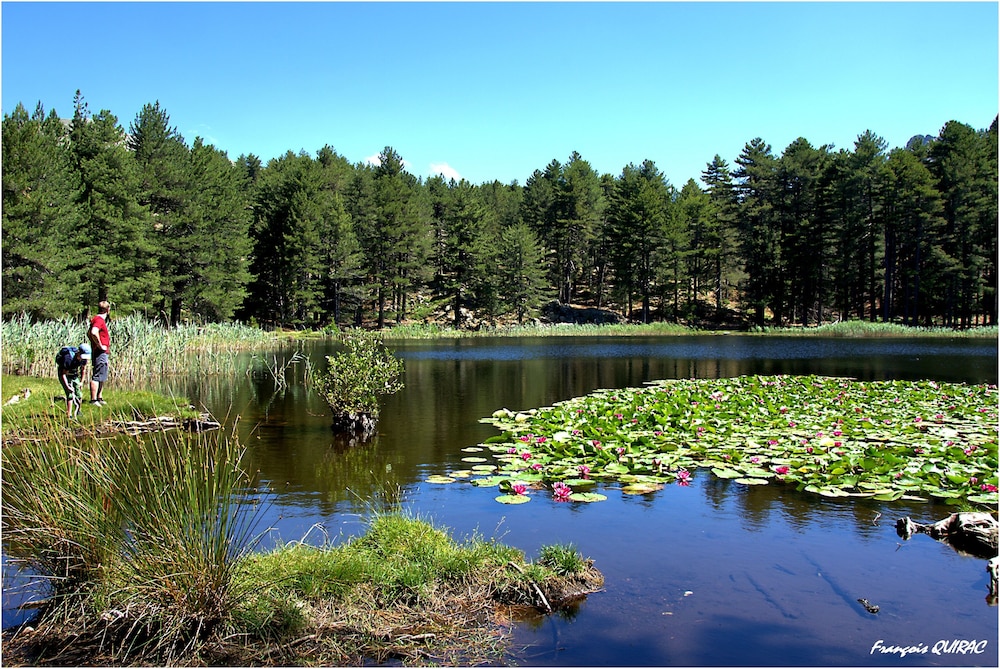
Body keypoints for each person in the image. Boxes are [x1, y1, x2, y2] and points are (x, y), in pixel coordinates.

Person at [57, 343, 91, 417]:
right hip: (65, 375)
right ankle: (69, 414)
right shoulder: (68, 358)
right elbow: (63, 374)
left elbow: (83, 370)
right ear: (78, 352)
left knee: (79, 395)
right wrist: (67, 386)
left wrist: (81, 382)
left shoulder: (84, 360)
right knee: (70, 395)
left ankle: (78, 411)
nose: (83, 359)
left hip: (74, 374)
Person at [88, 300, 111, 406]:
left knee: (102, 374)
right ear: (107, 310)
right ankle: (93, 400)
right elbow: (93, 332)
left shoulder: (96, 319)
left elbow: (89, 333)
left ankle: (99, 397)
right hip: (100, 352)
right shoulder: (99, 320)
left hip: (101, 351)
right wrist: (99, 345)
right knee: (97, 375)